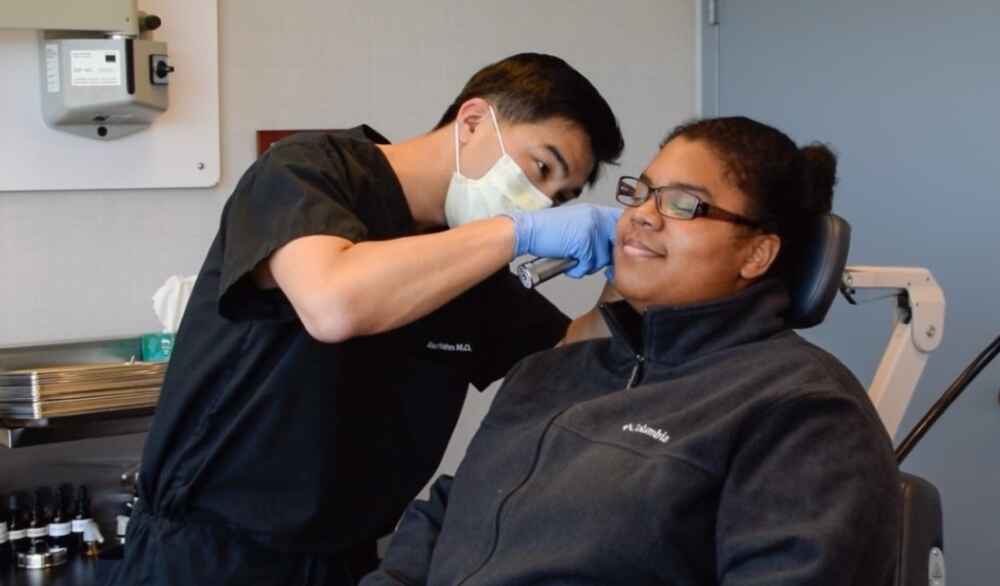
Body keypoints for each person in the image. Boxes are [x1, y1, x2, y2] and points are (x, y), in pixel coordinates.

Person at [104, 53, 624, 586]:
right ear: (472, 121)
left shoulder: (466, 266)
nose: (540, 204)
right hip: (209, 555)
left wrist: (629, 276)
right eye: (541, 168)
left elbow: (571, 357)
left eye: (558, 200)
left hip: (350, 561)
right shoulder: (311, 170)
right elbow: (333, 302)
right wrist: (517, 233)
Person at [362, 116, 901, 586]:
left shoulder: (804, 412)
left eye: (683, 204)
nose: (642, 215)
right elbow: (443, 519)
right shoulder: (550, 372)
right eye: (639, 193)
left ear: (757, 253)